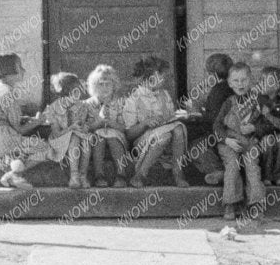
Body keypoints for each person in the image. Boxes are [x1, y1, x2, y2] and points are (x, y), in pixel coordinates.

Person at [0, 51, 47, 190]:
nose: (24, 70)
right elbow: (19, 129)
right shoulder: (9, 93)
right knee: (44, 148)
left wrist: (27, 119)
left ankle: (14, 174)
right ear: (9, 71)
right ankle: (13, 174)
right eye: (20, 67)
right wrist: (38, 121)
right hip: (2, 140)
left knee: (18, 156)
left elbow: (4, 117)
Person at [121, 55, 186, 186]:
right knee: (165, 135)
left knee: (177, 129)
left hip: (165, 136)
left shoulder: (164, 94)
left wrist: (174, 117)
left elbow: (170, 117)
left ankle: (178, 172)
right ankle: (140, 175)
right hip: (143, 143)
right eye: (161, 76)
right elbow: (129, 135)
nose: (164, 79)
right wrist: (145, 123)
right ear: (149, 78)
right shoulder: (134, 99)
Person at [214, 60, 267, 221]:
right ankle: (231, 203)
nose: (240, 84)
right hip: (230, 142)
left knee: (252, 169)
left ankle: (255, 204)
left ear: (250, 80)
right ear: (230, 83)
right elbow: (217, 125)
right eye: (236, 81)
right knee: (232, 166)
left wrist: (255, 128)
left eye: (244, 80)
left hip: (250, 142)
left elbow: (267, 123)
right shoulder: (228, 102)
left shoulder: (259, 100)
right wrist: (226, 140)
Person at [175, 52, 234, 185]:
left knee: (193, 145)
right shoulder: (227, 87)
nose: (207, 77)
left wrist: (194, 114)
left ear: (213, 74)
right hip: (226, 129)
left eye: (208, 73)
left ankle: (217, 170)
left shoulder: (218, 91)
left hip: (220, 132)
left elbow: (213, 120)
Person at [38, 71, 95, 186]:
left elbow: (94, 120)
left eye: (78, 91)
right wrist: (71, 128)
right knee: (74, 138)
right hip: (60, 140)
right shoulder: (54, 108)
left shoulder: (84, 106)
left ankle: (82, 175)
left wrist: (86, 126)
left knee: (86, 142)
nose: (77, 95)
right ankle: (74, 176)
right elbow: (56, 133)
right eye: (72, 92)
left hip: (81, 136)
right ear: (63, 93)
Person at [85, 65, 131, 186]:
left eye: (108, 84)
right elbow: (86, 128)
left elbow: (125, 128)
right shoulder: (88, 104)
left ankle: (121, 175)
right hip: (95, 141)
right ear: (94, 85)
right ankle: (99, 175)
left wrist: (109, 123)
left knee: (111, 135)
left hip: (117, 141)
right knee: (99, 136)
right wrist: (99, 123)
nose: (104, 87)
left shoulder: (121, 103)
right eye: (101, 84)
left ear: (114, 85)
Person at [254, 64, 280, 185]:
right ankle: (267, 174)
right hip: (263, 134)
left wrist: (268, 116)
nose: (262, 83)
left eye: (266, 81)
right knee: (267, 141)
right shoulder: (257, 100)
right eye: (261, 80)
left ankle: (279, 174)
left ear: (277, 86)